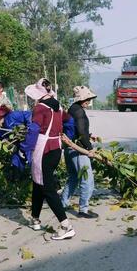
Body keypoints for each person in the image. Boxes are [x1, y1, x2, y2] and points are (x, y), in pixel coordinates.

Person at [25, 78, 75, 240]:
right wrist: (67, 137)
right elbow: (69, 121)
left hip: (43, 149)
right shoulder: (58, 106)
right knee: (37, 182)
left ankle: (66, 225)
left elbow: (33, 130)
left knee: (47, 187)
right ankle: (35, 218)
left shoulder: (40, 108)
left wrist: (26, 150)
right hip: (56, 149)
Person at [60, 86, 98, 218]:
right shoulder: (80, 112)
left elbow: (76, 129)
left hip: (68, 149)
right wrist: (90, 148)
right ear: (82, 99)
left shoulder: (72, 109)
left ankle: (63, 203)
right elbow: (81, 132)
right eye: (87, 99)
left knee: (73, 178)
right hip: (78, 150)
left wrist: (90, 135)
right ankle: (83, 210)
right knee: (87, 179)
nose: (89, 101)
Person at [0, 105, 38, 180]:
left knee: (33, 162)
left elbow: (29, 115)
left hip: (31, 141)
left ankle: (36, 181)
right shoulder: (3, 128)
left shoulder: (13, 115)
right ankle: (18, 182)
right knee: (15, 160)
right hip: (21, 145)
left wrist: (29, 129)